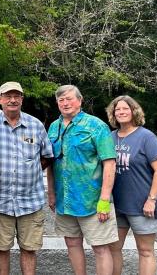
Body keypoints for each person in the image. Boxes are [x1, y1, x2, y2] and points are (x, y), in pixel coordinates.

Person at [48, 84, 118, 275]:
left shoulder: (96, 126)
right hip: (65, 200)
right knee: (72, 243)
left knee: (100, 247)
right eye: (61, 100)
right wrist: (51, 193)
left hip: (92, 200)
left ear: (79, 101)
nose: (65, 103)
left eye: (69, 98)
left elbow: (110, 164)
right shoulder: (54, 127)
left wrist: (104, 200)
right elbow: (51, 163)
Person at [0, 82, 53, 275]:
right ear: (0, 99)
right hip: (0, 201)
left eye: (17, 96)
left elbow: (47, 156)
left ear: (22, 99)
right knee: (2, 248)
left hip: (30, 201)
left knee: (29, 249)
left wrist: (30, 171)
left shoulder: (35, 125)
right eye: (8, 96)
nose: (12, 100)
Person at [106, 95, 157, 275]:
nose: (121, 112)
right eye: (118, 109)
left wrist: (152, 200)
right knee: (113, 249)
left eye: (126, 108)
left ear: (134, 111)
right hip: (117, 205)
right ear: (113, 114)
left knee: (146, 251)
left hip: (142, 205)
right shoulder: (110, 137)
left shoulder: (146, 137)